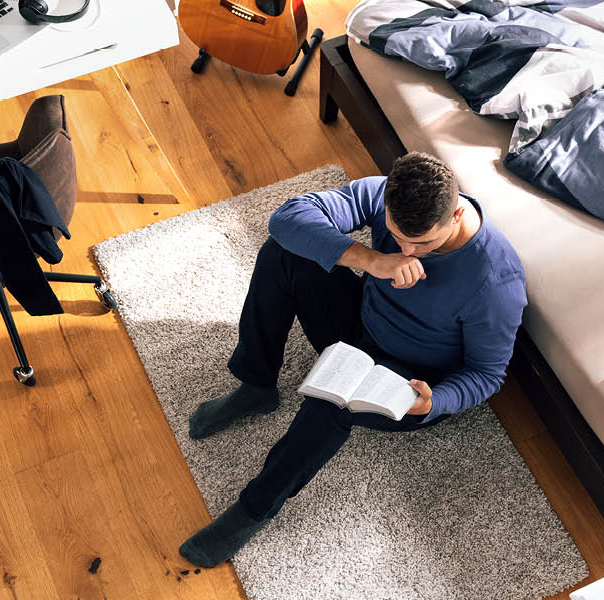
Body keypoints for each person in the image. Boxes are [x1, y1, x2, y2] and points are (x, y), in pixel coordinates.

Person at [178, 152, 527, 568]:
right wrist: (371, 260)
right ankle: (256, 384)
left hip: (410, 382)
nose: (407, 251)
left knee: (329, 401)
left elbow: (487, 375)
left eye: (423, 244)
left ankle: (252, 510)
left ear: (455, 214)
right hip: (361, 322)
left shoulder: (495, 279)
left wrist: (434, 401)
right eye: (398, 236)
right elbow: (287, 217)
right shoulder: (384, 195)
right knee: (283, 253)